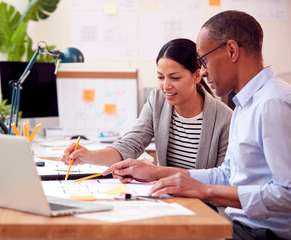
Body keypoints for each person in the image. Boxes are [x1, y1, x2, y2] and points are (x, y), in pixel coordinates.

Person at [104, 11, 291, 239]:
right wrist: (156, 172)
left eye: (203, 60)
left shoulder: (273, 103)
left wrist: (205, 190)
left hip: (259, 233)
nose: (202, 71)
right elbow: (227, 175)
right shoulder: (245, 104)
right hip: (236, 225)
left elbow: (287, 194)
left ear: (232, 50)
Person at [62, 38, 232, 170]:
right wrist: (88, 156)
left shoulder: (225, 119)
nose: (166, 86)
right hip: (167, 199)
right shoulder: (157, 101)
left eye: (175, 78)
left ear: (197, 76)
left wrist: (159, 174)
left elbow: (221, 179)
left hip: (204, 206)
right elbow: (130, 144)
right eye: (160, 77)